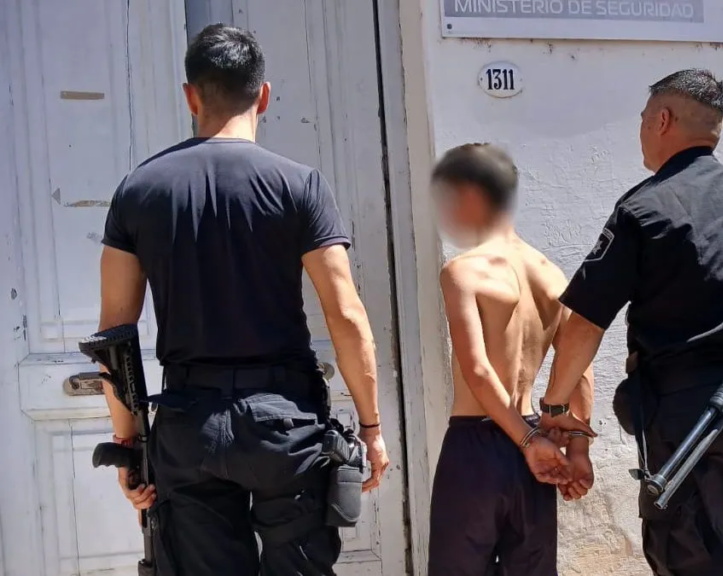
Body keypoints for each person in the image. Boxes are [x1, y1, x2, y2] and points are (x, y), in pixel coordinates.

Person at [96, 24, 389, 576]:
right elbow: (346, 315)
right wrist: (371, 430)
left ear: (191, 97)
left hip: (188, 424)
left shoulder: (138, 190)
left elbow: (114, 334)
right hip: (285, 426)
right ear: (264, 95)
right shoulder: (300, 185)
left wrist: (129, 444)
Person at [539, 69, 723, 576]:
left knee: (691, 561)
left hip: (692, 420)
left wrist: (555, 405)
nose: (641, 130)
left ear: (662, 120)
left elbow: (586, 323)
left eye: (644, 119)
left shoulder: (644, 208)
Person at [426, 143, 596, 576]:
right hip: (533, 446)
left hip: (478, 446)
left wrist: (528, 441)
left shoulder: (463, 271)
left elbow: (478, 369)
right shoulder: (551, 273)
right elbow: (579, 365)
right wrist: (578, 449)